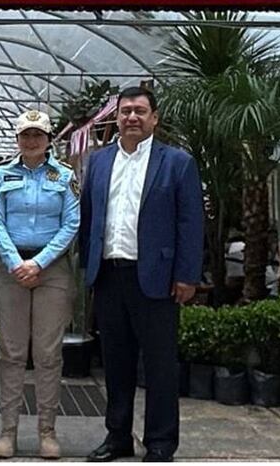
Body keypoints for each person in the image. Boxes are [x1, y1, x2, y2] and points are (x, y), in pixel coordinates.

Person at [78, 86, 203, 463]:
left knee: (160, 364)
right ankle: (117, 437)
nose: (132, 117)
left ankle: (161, 442)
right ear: (116, 117)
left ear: (154, 118)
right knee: (115, 363)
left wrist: (187, 275)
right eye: (126, 111)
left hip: (157, 277)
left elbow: (190, 221)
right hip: (109, 276)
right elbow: (89, 216)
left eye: (140, 111)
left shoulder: (176, 162)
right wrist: (89, 266)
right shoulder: (99, 162)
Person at [0, 110, 80, 460]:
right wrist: (16, 263)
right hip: (11, 268)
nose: (31, 141)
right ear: (17, 139)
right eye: (25, 135)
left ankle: (47, 432)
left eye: (37, 135)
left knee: (47, 354)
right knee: (11, 353)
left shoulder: (65, 176)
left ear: (48, 139)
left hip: (52, 269)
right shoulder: (0, 176)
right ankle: (7, 432)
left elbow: (71, 223)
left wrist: (39, 263)